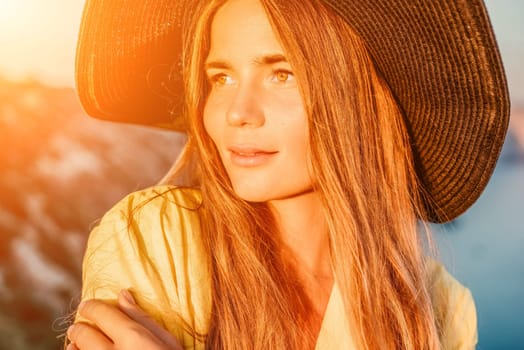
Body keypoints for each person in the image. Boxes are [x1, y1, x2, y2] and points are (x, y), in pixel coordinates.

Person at [67, 0, 509, 349]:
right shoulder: (158, 236)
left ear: (360, 100)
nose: (237, 113)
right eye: (220, 78)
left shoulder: (441, 308)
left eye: (282, 74)